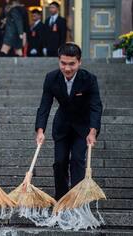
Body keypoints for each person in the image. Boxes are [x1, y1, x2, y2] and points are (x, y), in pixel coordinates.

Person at [35, 43, 103, 200]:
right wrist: (40, 130)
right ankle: (61, 200)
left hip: (82, 128)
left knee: (77, 161)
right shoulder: (51, 78)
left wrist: (93, 131)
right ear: (59, 61)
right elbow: (45, 105)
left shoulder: (89, 79)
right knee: (59, 162)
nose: (67, 68)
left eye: (71, 64)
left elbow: (96, 106)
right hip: (62, 126)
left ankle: (76, 200)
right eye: (63, 63)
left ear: (79, 62)